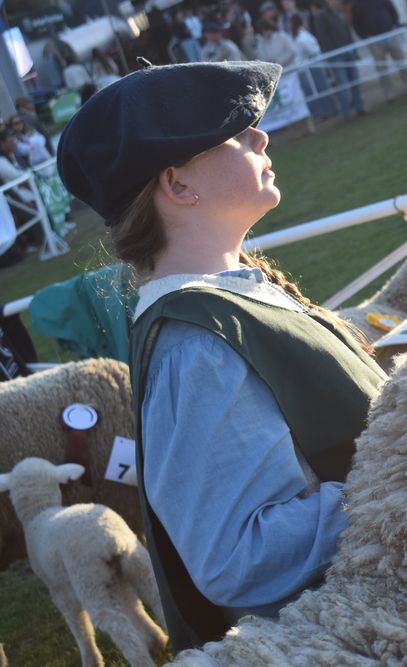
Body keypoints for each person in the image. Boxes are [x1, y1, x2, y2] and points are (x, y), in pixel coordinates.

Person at [56, 60, 386, 651]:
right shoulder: (197, 346)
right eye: (235, 134)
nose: (260, 137)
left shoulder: (228, 301)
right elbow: (238, 562)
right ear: (179, 185)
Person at [345, 0, 407, 100]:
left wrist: (394, 25)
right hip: (375, 41)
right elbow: (356, 25)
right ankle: (389, 94)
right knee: (382, 69)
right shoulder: (357, 6)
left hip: (391, 36)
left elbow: (392, 11)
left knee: (402, 62)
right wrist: (366, 37)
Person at [309, 0, 366, 117]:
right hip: (336, 56)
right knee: (343, 84)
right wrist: (333, 52)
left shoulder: (340, 14)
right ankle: (346, 112)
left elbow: (347, 32)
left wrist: (353, 49)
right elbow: (322, 37)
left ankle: (359, 107)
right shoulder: (322, 16)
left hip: (348, 53)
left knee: (355, 80)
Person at [290, 13, 338, 120]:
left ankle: (324, 112)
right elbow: (310, 48)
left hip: (308, 65)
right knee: (321, 88)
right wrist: (316, 51)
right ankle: (328, 110)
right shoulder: (300, 35)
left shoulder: (297, 35)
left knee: (316, 90)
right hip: (311, 65)